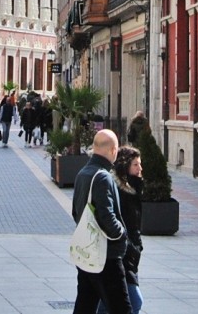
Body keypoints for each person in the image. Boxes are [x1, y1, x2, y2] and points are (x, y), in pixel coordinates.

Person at [71, 129, 130, 314]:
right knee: (121, 308)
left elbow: (75, 212)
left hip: (87, 253)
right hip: (106, 257)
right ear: (113, 150)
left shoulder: (83, 173)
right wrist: (121, 234)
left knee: (85, 306)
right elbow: (107, 217)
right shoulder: (103, 176)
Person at [96, 146, 144, 314]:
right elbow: (112, 219)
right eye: (136, 165)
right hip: (121, 253)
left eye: (140, 164)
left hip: (130, 254)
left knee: (107, 303)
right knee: (135, 302)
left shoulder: (134, 190)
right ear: (125, 168)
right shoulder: (119, 192)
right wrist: (126, 242)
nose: (140, 169)